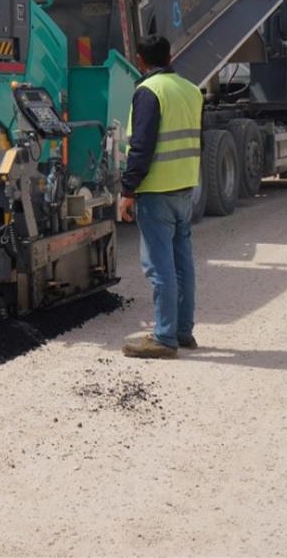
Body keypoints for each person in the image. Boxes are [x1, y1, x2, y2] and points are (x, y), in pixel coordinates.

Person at [118, 34, 204, 360]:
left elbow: (141, 146)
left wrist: (127, 190)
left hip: (156, 190)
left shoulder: (148, 91)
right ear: (170, 56)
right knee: (183, 264)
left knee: (159, 266)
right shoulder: (191, 90)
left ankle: (164, 337)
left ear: (140, 60)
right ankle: (183, 331)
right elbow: (199, 139)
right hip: (185, 186)